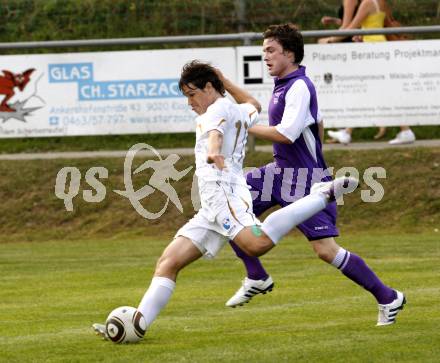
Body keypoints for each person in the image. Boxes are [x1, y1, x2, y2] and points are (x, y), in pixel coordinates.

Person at [92, 60, 358, 339]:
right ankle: (137, 324)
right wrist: (224, 82)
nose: (190, 102)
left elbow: (215, 133)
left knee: (256, 245)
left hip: (224, 194)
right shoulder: (236, 109)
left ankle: (321, 196)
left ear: (208, 88)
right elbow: (254, 103)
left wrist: (214, 151)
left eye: (192, 94)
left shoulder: (214, 111)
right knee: (168, 262)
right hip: (212, 205)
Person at [225, 24, 406, 326]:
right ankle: (256, 275)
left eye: (271, 50)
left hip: (303, 182)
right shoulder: (284, 84)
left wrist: (242, 125)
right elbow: (318, 122)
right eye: (264, 50)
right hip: (279, 172)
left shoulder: (298, 85)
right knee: (228, 205)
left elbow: (286, 133)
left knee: (326, 250)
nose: (265, 56)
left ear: (290, 53)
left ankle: (388, 297)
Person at [320, 0, 416, 145]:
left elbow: (351, 28)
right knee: (372, 90)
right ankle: (348, 132)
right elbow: (378, 24)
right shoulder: (381, 2)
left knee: (367, 89)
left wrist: (330, 40)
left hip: (371, 48)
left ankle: (406, 131)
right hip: (377, 44)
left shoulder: (367, 3)